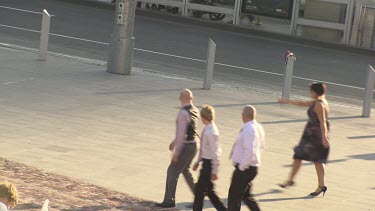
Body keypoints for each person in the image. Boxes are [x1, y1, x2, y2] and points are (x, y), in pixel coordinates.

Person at [278, 82, 330, 197]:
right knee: (310, 159)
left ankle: (319, 185)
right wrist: (288, 101)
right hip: (311, 134)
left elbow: (323, 122)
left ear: (316, 92)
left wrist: (324, 137)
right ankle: (292, 180)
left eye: (311, 91)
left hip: (315, 136)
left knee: (306, 158)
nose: (310, 93)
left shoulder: (319, 105)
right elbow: (303, 103)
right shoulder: (318, 101)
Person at [155, 89, 199, 208]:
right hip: (194, 145)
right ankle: (198, 195)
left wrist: (176, 151)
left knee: (172, 171)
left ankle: (169, 200)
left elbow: (181, 133)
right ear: (192, 98)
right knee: (186, 170)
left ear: (181, 98)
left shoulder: (183, 113)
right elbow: (190, 129)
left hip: (185, 146)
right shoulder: (195, 110)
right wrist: (174, 142)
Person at [228, 105, 265, 211]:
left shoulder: (249, 129)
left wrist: (242, 167)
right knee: (246, 195)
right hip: (251, 167)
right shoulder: (258, 127)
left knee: (234, 197)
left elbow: (250, 151)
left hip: (245, 168)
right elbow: (262, 146)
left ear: (244, 115)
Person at [192, 105, 227, 211]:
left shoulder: (211, 132)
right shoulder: (209, 128)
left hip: (209, 165)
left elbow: (216, 153)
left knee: (200, 191)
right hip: (206, 163)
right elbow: (205, 149)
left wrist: (215, 171)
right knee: (209, 192)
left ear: (203, 117)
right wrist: (198, 161)